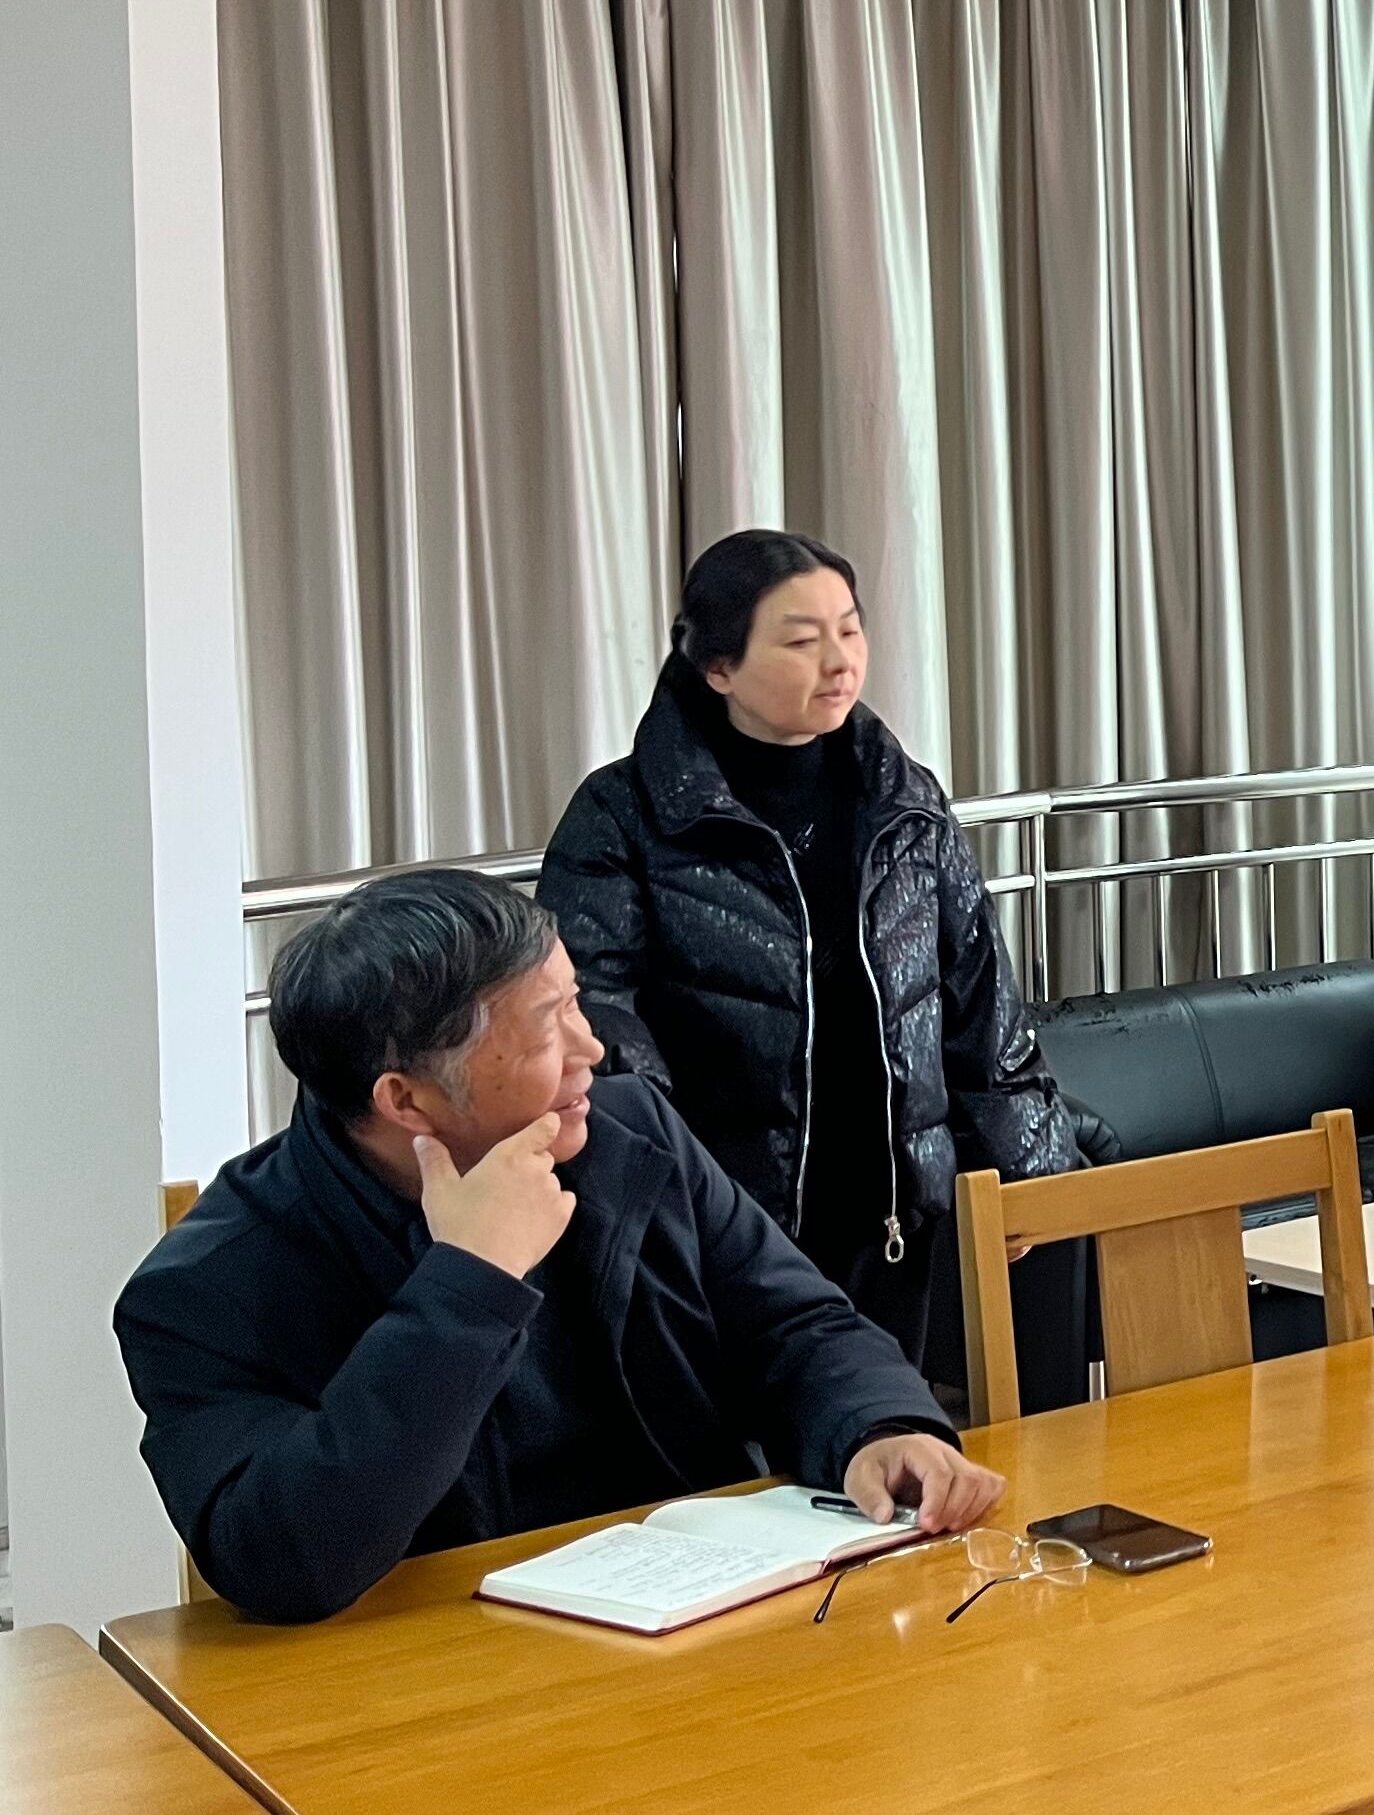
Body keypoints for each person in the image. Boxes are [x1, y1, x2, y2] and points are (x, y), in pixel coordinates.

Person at [117, 871, 999, 1624]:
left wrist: (877, 1428)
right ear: (407, 1100)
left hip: (701, 1623)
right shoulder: (207, 1286)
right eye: (547, 1027)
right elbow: (282, 1562)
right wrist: (468, 1283)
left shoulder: (627, 1131)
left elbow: (796, 1327)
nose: (593, 1048)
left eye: (574, 1001)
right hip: (433, 1679)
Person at [542, 530, 1079, 1371]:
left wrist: (1025, 1168)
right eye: (800, 641)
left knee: (885, 1428)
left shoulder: (903, 798)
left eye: (850, 630)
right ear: (717, 665)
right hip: (725, 1233)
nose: (839, 661)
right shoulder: (623, 815)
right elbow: (594, 1016)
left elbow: (979, 994)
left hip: (892, 1217)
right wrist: (671, 1196)